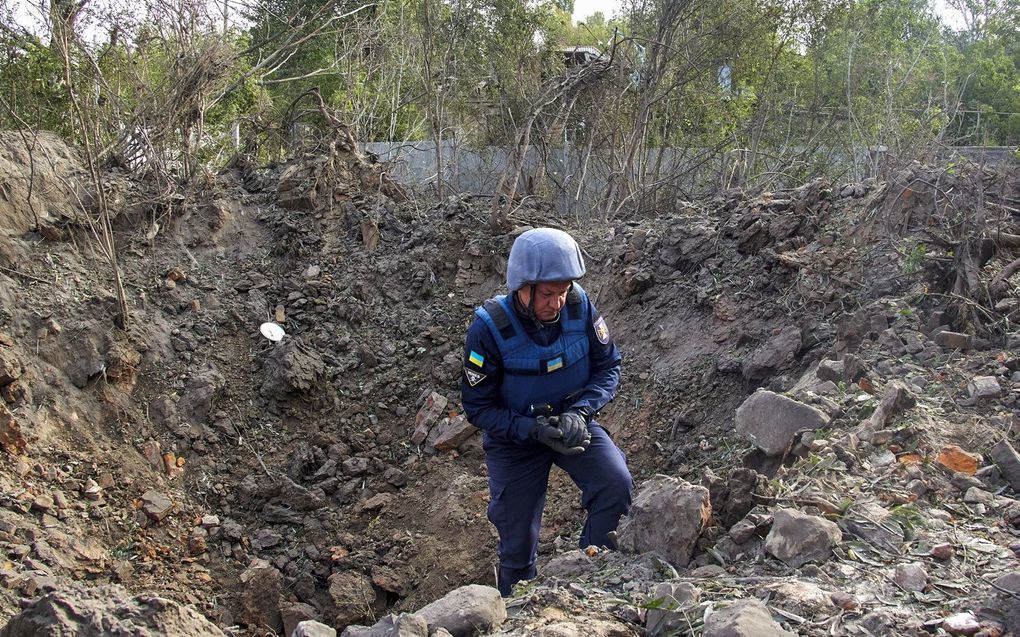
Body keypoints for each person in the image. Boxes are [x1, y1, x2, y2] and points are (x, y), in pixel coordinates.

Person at [460, 227, 633, 597]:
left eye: (563, 291)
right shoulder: (488, 330)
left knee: (615, 483)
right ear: (521, 286)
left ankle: (594, 580)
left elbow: (609, 367)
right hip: (516, 440)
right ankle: (516, 611)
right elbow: (478, 407)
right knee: (518, 543)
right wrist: (531, 430)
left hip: (571, 424)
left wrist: (582, 413)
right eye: (547, 293)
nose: (556, 303)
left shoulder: (580, 306)